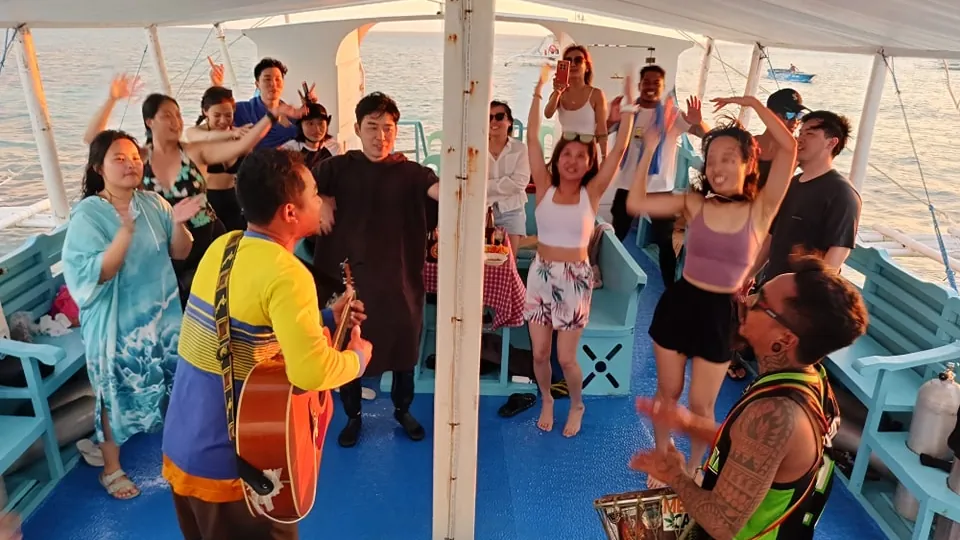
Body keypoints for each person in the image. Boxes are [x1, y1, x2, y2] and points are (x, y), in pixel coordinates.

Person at [161, 148, 371, 540]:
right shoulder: (288, 274)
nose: (320, 200)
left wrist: (325, 318)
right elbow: (311, 371)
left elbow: (241, 329)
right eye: (312, 193)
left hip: (185, 442)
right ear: (291, 212)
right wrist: (356, 360)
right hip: (237, 462)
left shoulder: (224, 247)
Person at [630, 255, 868, 539]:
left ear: (785, 339)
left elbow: (722, 525)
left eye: (761, 301)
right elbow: (756, 449)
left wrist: (675, 475)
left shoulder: (775, 412)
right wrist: (689, 424)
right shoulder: (812, 379)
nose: (745, 300)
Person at [626, 95, 797, 487]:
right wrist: (650, 147)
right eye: (711, 158)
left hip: (720, 313)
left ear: (747, 163)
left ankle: (695, 465)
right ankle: (664, 457)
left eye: (727, 158)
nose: (716, 166)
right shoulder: (694, 202)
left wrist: (751, 102)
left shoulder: (761, 208)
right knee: (667, 391)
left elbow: (788, 147)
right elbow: (636, 202)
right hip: (680, 302)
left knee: (702, 403)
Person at [62, 130, 197, 499]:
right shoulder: (89, 214)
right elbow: (97, 274)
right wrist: (124, 231)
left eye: (135, 157)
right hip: (116, 325)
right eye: (118, 158)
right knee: (113, 394)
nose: (130, 164)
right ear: (98, 167)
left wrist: (179, 221)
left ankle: (180, 455)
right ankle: (111, 469)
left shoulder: (153, 202)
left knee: (173, 384)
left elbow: (181, 253)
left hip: (163, 318)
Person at [311, 92, 440, 448]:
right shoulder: (335, 168)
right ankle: (352, 415)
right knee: (348, 344)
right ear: (357, 128)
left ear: (396, 132)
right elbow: (300, 186)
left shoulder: (412, 173)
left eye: (387, 128)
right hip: (349, 282)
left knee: (404, 347)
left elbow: (440, 191)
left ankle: (403, 408)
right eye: (372, 127)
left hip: (398, 282)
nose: (380, 136)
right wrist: (320, 198)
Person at [524, 64, 636, 437]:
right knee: (539, 354)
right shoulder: (544, 186)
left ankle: (577, 403)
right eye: (566, 155)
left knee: (565, 357)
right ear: (557, 159)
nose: (572, 161)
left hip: (574, 279)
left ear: (590, 165)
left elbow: (618, 151)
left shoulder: (591, 193)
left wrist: (630, 113)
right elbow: (531, 140)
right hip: (540, 273)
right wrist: (540, 91)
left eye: (581, 157)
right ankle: (547, 398)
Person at [726, 88, 808, 381]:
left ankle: (741, 349)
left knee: (751, 294)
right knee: (732, 294)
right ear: (772, 113)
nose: (795, 120)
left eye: (798, 114)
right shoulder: (753, 145)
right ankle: (729, 352)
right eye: (790, 114)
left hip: (771, 232)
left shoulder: (793, 151)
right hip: (741, 227)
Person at [606, 65, 709, 283]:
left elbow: (704, 135)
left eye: (656, 83)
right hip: (628, 186)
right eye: (647, 82)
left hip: (660, 190)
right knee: (616, 236)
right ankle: (603, 274)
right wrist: (611, 119)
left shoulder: (671, 115)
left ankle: (670, 288)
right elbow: (604, 131)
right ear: (640, 85)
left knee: (665, 241)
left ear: (662, 87)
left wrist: (698, 120)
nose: (651, 87)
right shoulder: (630, 112)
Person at [234, 58, 317, 149]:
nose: (273, 84)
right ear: (257, 84)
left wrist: (312, 109)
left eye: (277, 79)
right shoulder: (243, 110)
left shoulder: (294, 115)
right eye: (267, 79)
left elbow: (311, 140)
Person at [544, 45, 609, 159]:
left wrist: (604, 157)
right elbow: (548, 114)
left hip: (587, 152)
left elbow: (601, 129)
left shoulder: (596, 94)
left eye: (578, 60)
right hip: (565, 151)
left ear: (587, 67)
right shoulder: (559, 94)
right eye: (568, 61)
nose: (573, 64)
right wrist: (557, 92)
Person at [487, 100, 531, 254]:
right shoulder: (476, 149)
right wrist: (505, 184)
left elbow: (519, 183)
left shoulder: (520, 149)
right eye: (489, 117)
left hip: (512, 211)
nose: (493, 121)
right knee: (482, 263)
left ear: (509, 122)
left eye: (499, 116)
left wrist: (487, 186)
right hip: (483, 211)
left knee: (510, 261)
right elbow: (472, 183)